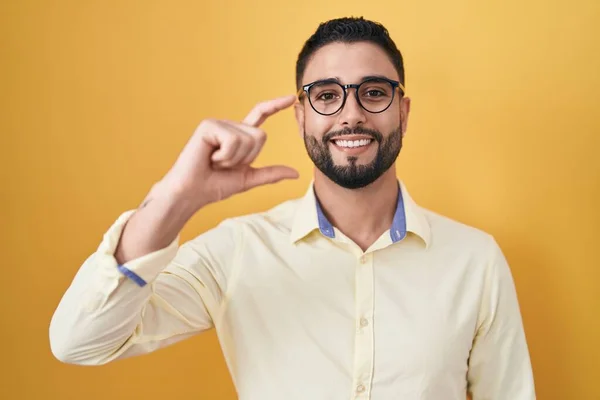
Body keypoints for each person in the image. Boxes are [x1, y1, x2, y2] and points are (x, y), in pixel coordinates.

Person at [49, 17, 536, 400]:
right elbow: (79, 342)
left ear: (402, 112)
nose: (351, 113)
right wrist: (175, 198)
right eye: (326, 95)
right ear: (301, 116)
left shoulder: (476, 261)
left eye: (374, 92)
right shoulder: (238, 251)